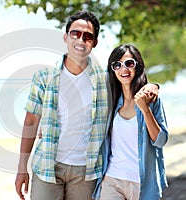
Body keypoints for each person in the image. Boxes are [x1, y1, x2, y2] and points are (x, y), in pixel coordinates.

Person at [15, 10, 158, 200]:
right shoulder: (44, 77)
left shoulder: (105, 80)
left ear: (94, 43)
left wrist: (153, 86)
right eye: (75, 34)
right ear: (66, 37)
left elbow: (131, 85)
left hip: (87, 171)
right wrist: (21, 167)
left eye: (88, 36)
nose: (81, 40)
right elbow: (31, 120)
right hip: (46, 165)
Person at [94, 44, 168, 200]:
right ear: (113, 70)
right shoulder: (111, 100)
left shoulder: (152, 100)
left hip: (142, 183)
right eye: (117, 65)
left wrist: (145, 109)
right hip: (112, 179)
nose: (124, 69)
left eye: (129, 63)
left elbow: (161, 140)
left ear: (137, 66)